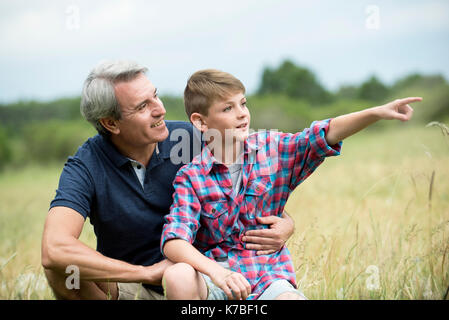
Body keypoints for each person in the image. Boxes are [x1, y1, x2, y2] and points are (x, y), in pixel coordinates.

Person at [41, 60, 295, 300]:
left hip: (199, 280)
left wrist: (287, 224)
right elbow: (55, 248)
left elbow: (253, 194)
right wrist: (147, 273)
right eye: (142, 106)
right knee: (62, 270)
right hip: (132, 286)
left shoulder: (192, 139)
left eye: (156, 95)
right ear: (110, 123)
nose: (160, 109)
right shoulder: (86, 165)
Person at [161, 69, 422, 300]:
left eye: (243, 103)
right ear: (200, 121)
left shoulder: (272, 149)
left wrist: (376, 112)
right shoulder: (192, 176)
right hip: (217, 279)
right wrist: (218, 273)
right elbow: (174, 239)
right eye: (228, 108)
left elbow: (322, 134)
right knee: (178, 276)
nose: (242, 114)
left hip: (267, 277)